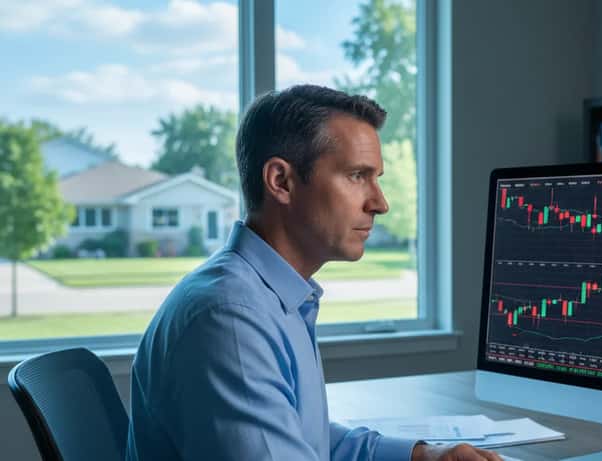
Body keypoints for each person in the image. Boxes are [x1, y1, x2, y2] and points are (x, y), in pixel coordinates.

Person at [126, 84, 502, 461]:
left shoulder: (267, 296)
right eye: (357, 175)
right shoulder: (232, 318)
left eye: (377, 178)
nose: (380, 203)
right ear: (281, 182)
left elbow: (307, 441)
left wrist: (425, 456)